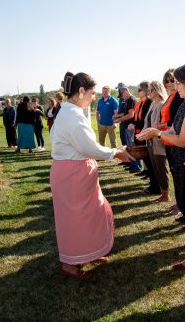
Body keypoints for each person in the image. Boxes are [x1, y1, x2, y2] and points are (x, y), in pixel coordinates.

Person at [50, 71, 134, 278]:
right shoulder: (72, 116)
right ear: (81, 91)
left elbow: (88, 147)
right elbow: (90, 148)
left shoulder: (71, 112)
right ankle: (70, 263)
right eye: (92, 92)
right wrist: (116, 153)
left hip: (75, 174)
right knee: (75, 218)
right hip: (72, 176)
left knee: (90, 214)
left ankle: (86, 252)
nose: (94, 97)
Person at [137, 64, 185, 272]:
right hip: (184, 165)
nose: (175, 86)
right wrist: (157, 130)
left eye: (179, 82)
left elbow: (182, 140)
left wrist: (157, 134)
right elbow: (173, 129)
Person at [159, 69, 185, 217]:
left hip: (176, 138)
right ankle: (179, 202)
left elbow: (176, 119)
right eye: (166, 81)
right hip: (168, 138)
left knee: (179, 174)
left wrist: (161, 127)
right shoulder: (172, 97)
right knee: (175, 173)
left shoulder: (179, 97)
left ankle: (182, 206)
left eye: (172, 81)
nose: (169, 84)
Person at [143, 81, 170, 202]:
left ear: (157, 90)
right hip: (150, 141)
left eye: (151, 90)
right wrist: (143, 134)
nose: (149, 92)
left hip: (159, 141)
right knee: (155, 168)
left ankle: (166, 194)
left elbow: (163, 125)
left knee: (161, 168)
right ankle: (162, 192)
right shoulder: (153, 104)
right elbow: (147, 122)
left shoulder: (162, 104)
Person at [114, 84, 137, 171]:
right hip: (126, 125)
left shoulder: (131, 100)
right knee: (127, 145)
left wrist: (119, 120)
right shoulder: (127, 100)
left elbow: (131, 115)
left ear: (126, 92)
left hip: (130, 126)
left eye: (122, 95)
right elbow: (125, 113)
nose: (122, 97)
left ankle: (135, 166)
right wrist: (118, 117)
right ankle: (131, 164)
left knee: (131, 146)